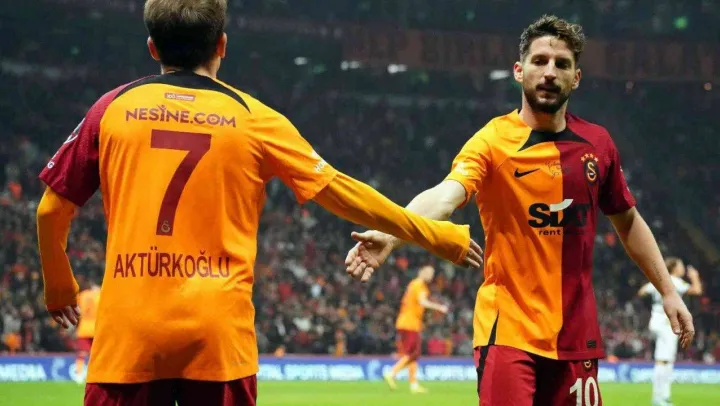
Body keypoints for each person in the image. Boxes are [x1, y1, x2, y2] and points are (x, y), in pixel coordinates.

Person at [35, 1, 483, 405]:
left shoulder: (110, 109)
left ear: (152, 48)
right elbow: (342, 191)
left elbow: (50, 211)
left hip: (128, 337)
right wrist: (436, 235)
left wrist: (58, 285)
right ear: (222, 45)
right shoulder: (255, 118)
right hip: (218, 338)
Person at [344, 14, 695, 406]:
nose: (550, 72)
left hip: (577, 336)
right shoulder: (492, 141)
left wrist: (668, 291)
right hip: (508, 331)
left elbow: (628, 221)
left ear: (576, 78)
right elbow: (445, 196)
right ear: (518, 70)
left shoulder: (598, 144)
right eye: (539, 61)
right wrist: (392, 235)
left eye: (562, 64)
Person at [639, 257, 702, 406]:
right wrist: (695, 276)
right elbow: (697, 290)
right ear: (674, 268)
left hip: (655, 320)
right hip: (666, 323)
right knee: (664, 360)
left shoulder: (659, 280)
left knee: (664, 359)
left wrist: (657, 299)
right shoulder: (675, 281)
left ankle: (662, 397)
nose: (683, 268)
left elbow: (642, 292)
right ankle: (659, 398)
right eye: (681, 266)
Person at [383, 265, 448, 394]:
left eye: (432, 273)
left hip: (409, 323)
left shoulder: (415, 285)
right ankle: (391, 373)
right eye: (428, 272)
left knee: (412, 354)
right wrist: (439, 307)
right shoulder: (419, 285)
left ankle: (413, 385)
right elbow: (422, 302)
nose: (430, 275)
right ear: (421, 272)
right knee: (414, 354)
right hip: (410, 323)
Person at [74, 278, 100, 384]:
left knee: (82, 352)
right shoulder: (99, 294)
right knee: (97, 353)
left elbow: (76, 310)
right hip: (96, 329)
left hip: (83, 328)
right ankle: (95, 374)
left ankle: (79, 374)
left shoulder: (82, 295)